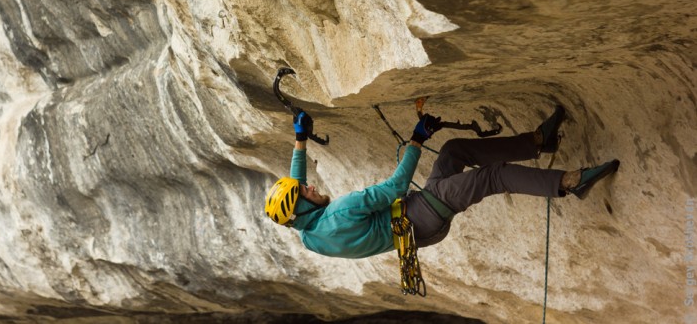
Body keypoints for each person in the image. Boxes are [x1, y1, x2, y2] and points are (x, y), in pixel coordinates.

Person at [264, 106, 620, 258]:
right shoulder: (340, 211)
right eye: (305, 192)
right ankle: (570, 183)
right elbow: (394, 188)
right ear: (303, 206)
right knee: (492, 177)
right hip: (420, 215)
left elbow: (298, 194)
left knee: (453, 151)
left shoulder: (309, 234)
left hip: (416, 231)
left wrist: (300, 140)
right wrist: (417, 139)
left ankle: (538, 143)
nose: (309, 187)